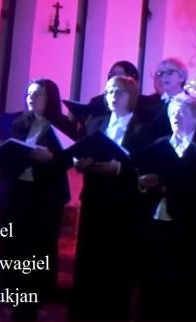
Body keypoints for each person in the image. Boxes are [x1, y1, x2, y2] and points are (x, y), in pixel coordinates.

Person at [134, 94, 196, 321]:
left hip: (190, 226)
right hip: (158, 222)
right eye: (173, 113)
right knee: (153, 280)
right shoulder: (158, 145)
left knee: (184, 287)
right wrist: (143, 184)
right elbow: (141, 178)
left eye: (182, 112)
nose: (176, 116)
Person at [70, 75, 152, 322]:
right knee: (89, 258)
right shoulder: (96, 122)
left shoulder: (142, 129)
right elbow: (81, 150)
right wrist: (79, 162)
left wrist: (120, 168)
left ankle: (114, 313)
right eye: (109, 92)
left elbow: (144, 166)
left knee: (117, 262)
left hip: (123, 204)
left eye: (119, 92)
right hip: (94, 199)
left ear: (131, 96)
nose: (112, 96)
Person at [0, 79, 76, 321]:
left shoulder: (63, 124)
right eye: (28, 93)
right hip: (17, 191)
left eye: (38, 93)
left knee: (38, 247)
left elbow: (70, 158)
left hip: (45, 194)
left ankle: (36, 292)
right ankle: (7, 289)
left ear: (50, 97)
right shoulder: (19, 122)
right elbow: (7, 148)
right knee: (10, 243)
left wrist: (52, 158)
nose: (31, 97)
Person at [145, 57, 189, 138]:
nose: (164, 76)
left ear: (182, 77)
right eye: (161, 74)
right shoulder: (153, 103)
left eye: (169, 72)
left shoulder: (190, 104)